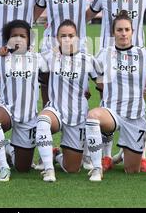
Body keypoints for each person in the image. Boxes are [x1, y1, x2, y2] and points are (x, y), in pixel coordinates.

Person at [86, 0, 146, 173]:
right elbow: (87, 16)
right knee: (105, 103)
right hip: (109, 58)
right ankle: (106, 155)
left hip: (137, 61)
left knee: (140, 103)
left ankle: (141, 154)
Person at [85, 13, 146, 181]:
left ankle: (118, 156)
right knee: (93, 116)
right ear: (113, 32)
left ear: (133, 31)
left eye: (127, 29)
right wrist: (101, 85)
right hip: (111, 113)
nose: (123, 33)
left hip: (135, 117)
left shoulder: (144, 53)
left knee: (132, 171)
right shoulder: (105, 53)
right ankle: (97, 167)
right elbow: (91, 70)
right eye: (119, 30)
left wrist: (145, 83)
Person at [35, 20, 100, 182]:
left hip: (77, 115)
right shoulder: (50, 57)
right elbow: (28, 64)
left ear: (77, 38)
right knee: (43, 120)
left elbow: (103, 83)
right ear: (56, 38)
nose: (67, 39)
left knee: (72, 169)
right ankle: (49, 170)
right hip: (55, 110)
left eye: (71, 36)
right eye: (62, 36)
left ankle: (57, 156)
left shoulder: (87, 59)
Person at [0, 20, 46, 180]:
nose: (18, 39)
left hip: (29, 117)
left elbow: (48, 81)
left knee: (23, 168)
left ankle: (8, 147)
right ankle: (3, 167)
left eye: (22, 36)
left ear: (29, 39)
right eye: (14, 36)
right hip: (7, 109)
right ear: (7, 39)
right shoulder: (0, 59)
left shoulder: (38, 58)